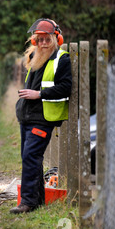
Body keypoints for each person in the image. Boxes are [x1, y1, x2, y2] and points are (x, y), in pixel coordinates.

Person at [11, 18, 72, 214]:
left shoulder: (61, 59)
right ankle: (36, 201)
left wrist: (39, 94)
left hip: (44, 117)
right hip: (28, 116)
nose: (44, 43)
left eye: (47, 39)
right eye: (40, 39)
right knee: (29, 158)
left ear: (56, 39)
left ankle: (27, 202)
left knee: (31, 156)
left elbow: (65, 87)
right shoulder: (34, 58)